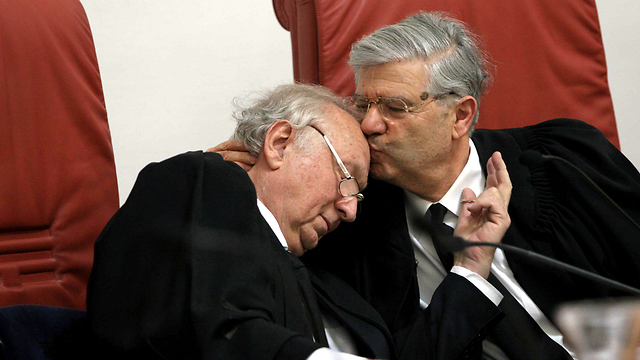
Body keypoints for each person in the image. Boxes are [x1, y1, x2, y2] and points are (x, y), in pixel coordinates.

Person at [210, 12, 640, 360]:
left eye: (394, 107)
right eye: (363, 104)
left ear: (460, 116)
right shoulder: (350, 225)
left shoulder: (563, 160)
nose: (369, 124)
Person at [87, 83, 512, 360]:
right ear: (280, 142)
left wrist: (471, 266)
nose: (351, 210)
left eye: (360, 195)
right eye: (347, 179)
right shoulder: (202, 179)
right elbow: (201, 326)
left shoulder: (327, 281)